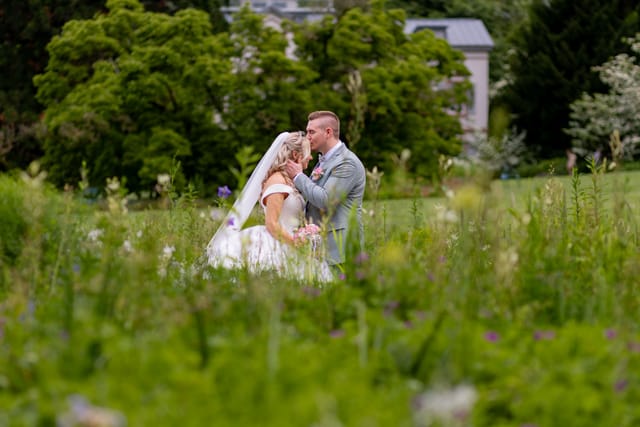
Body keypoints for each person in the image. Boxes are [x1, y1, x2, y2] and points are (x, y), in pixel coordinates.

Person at [206, 131, 333, 282]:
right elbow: (272, 223)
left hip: (285, 238)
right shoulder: (277, 181)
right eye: (308, 153)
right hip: (276, 242)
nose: (311, 157)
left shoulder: (288, 181)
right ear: (295, 155)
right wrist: (294, 242)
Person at [285, 111, 366, 268]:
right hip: (323, 246)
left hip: (341, 249)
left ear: (328, 132)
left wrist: (298, 176)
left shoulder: (347, 163)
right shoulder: (323, 161)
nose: (307, 137)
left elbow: (326, 200)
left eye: (311, 132)